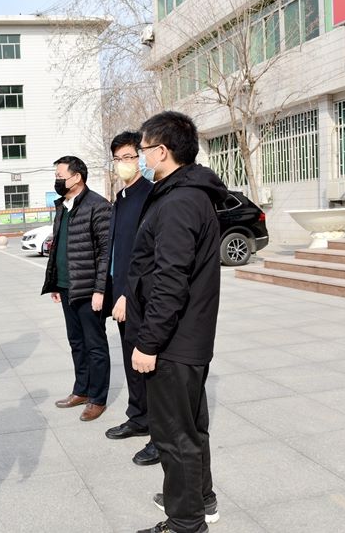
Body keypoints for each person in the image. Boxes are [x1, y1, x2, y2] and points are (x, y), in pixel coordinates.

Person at [127, 111, 226, 533]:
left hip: (174, 341)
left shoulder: (179, 201)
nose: (141, 157)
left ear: (162, 151)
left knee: (173, 436)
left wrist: (148, 343)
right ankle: (199, 499)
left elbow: (170, 280)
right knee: (191, 428)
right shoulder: (184, 194)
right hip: (188, 336)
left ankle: (186, 522)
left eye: (143, 150)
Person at [41, 155, 112, 422]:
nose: (57, 181)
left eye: (60, 176)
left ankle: (98, 398)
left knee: (95, 344)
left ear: (77, 177)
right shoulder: (63, 206)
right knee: (76, 342)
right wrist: (55, 281)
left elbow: (106, 252)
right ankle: (81, 390)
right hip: (66, 286)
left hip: (89, 289)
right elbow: (60, 246)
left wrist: (100, 290)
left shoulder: (98, 206)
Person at [103, 131, 159, 467]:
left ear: (141, 158)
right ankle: (138, 417)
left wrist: (127, 294)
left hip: (140, 294)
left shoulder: (149, 196)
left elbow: (145, 255)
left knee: (148, 362)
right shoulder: (122, 197)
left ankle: (159, 433)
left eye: (129, 157)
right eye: (118, 158)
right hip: (121, 293)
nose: (123, 163)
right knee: (129, 358)